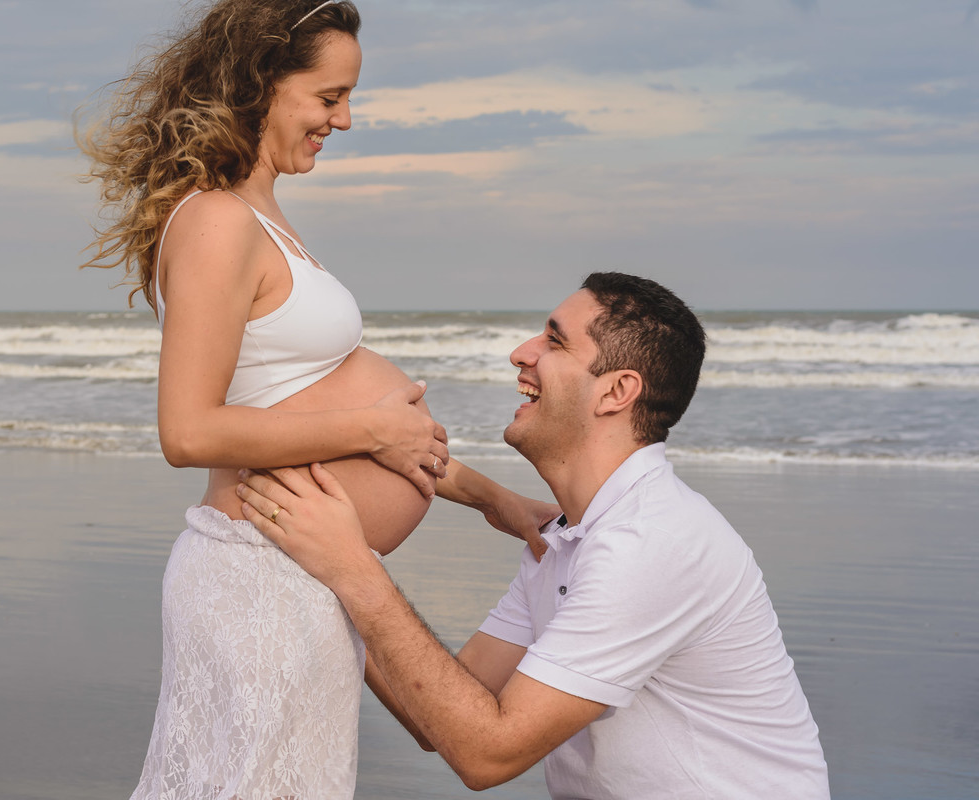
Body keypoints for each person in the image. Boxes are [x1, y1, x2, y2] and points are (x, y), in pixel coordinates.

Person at [77, 1, 556, 797]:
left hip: (299, 574)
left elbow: (300, 407)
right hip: (259, 575)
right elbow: (188, 431)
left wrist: (490, 499)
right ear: (260, 83)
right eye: (329, 97)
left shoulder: (265, 218)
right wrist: (374, 427)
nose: (343, 119)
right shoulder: (218, 222)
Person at [238, 272, 832, 799]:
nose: (521, 353)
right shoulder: (565, 540)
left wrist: (353, 568)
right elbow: (436, 720)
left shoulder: (653, 543)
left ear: (616, 392)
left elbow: (486, 754)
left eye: (554, 340)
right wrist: (321, 572)